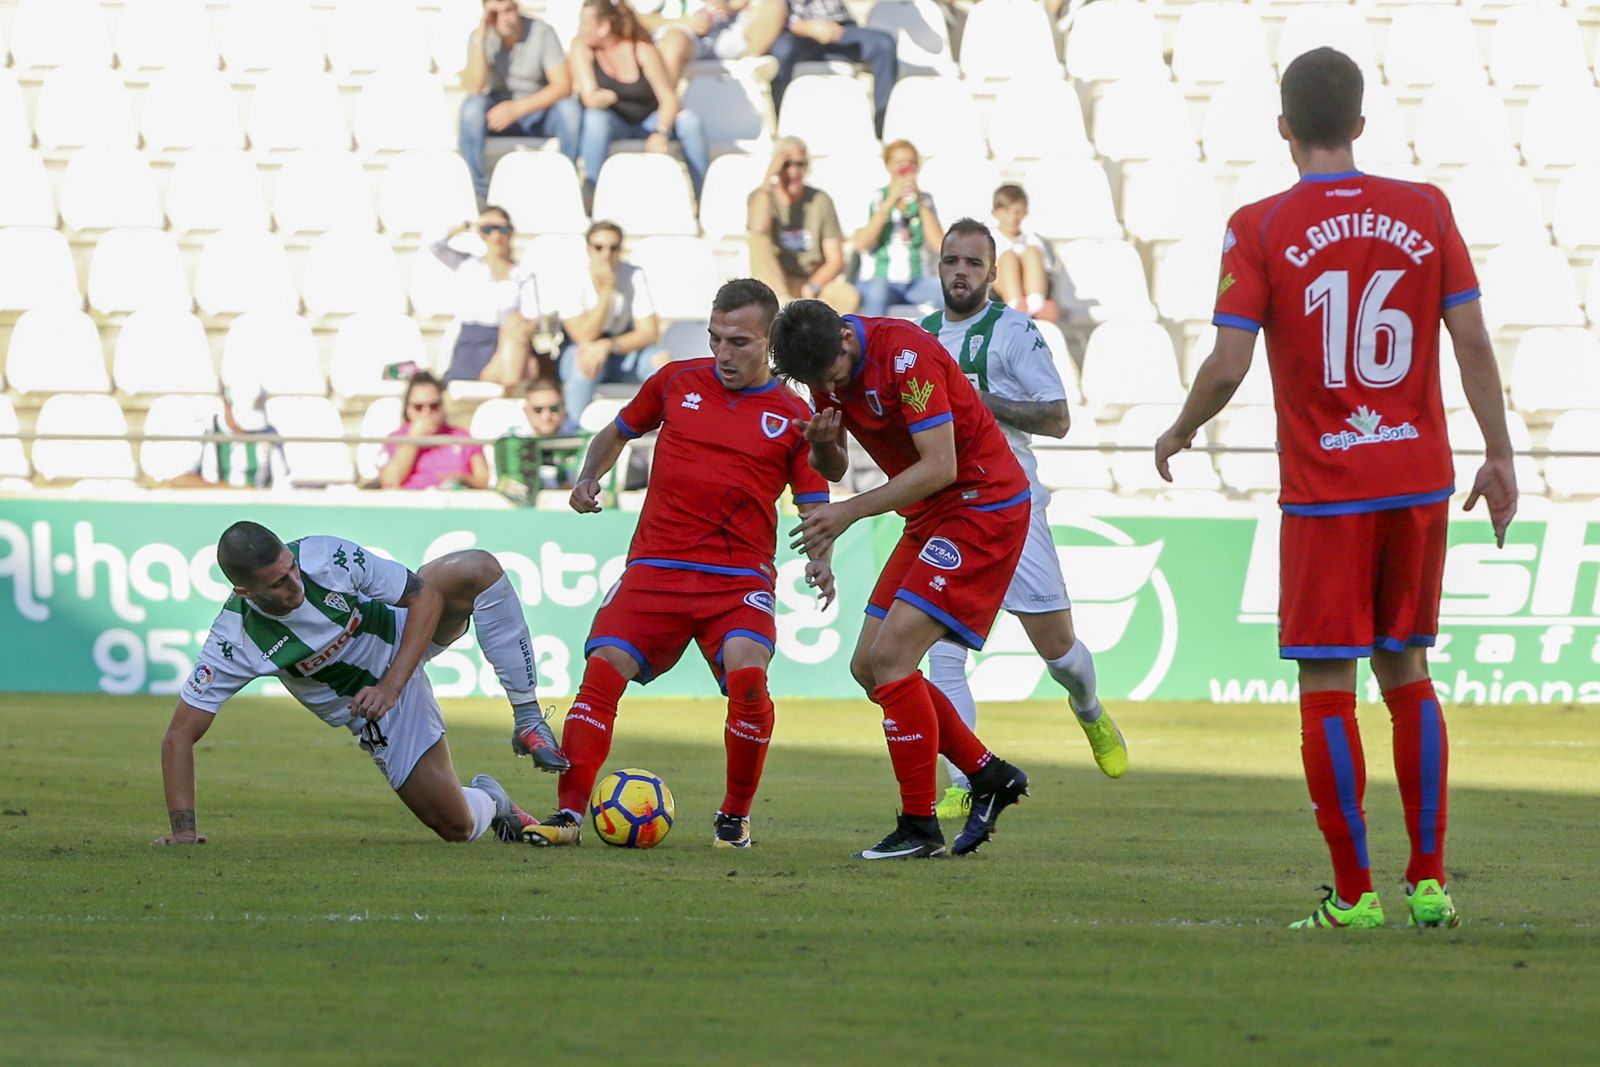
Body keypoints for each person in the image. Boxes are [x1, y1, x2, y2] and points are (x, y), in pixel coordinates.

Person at [1154, 47, 1518, 930]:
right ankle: (1429, 882)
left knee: (1328, 685)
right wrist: (1499, 455)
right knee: (1408, 672)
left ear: (1283, 129)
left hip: (1327, 492)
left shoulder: (1259, 224)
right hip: (1418, 480)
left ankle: (1353, 896)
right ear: (1361, 123)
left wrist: (1183, 426)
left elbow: (1230, 363)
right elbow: (1470, 342)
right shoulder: (1427, 208)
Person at [525, 279, 835, 850]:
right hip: (656, 568)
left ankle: (734, 818)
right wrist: (589, 475)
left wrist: (822, 559)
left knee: (747, 674)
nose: (723, 353)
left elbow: (815, 502)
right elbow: (616, 431)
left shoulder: (793, 416)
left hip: (738, 577)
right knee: (602, 671)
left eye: (739, 342)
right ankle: (567, 817)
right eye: (716, 338)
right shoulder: (675, 381)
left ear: (768, 343)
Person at [770, 300, 1033, 861]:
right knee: (868, 666)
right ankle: (990, 777)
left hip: (981, 505)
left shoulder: (904, 355)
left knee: (892, 661)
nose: (828, 386)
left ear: (846, 335)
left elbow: (942, 465)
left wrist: (849, 513)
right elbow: (834, 466)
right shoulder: (825, 366)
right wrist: (821, 440)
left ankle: (920, 827)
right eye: (816, 382)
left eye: (832, 375)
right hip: (932, 513)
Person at [154, 521, 570, 846]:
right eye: (278, 583)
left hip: (407, 635)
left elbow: (424, 596)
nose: (295, 584)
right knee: (456, 827)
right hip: (375, 712)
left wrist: (390, 684)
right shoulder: (234, 640)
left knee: (477, 568)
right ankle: (493, 802)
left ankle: (529, 719)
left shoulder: (326, 555)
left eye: (291, 569)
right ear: (244, 591)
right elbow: (178, 736)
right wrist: (184, 831)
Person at [919, 219, 1128, 820]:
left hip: (1012, 508)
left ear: (990, 273)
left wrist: (977, 401)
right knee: (945, 654)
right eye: (951, 260)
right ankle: (965, 777)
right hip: (947, 509)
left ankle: (1089, 710)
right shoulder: (920, 337)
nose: (961, 272)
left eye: (973, 264)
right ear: (940, 266)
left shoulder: (1012, 332)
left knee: (1058, 650)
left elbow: (1058, 417)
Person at [567, 0, 711, 199]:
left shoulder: (642, 49)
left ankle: (703, 195)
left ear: (604, 27)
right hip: (614, 122)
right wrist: (604, 98)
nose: (579, 29)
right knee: (595, 119)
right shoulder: (581, 47)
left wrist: (661, 131)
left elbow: (669, 99)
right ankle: (592, 191)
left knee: (691, 122)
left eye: (584, 23)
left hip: (649, 120)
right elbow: (590, 98)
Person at [459, 0, 581, 203]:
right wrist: (482, 35)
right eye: (496, 13)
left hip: (538, 112)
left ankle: (568, 182)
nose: (504, 18)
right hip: (497, 114)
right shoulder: (480, 37)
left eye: (509, 10)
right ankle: (477, 194)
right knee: (471, 109)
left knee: (570, 110)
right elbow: (473, 88)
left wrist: (517, 109)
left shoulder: (542, 32)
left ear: (517, 7)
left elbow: (562, 86)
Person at [554, 221, 668, 432]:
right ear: (588, 249)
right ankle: (577, 433)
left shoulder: (633, 274)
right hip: (580, 351)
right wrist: (607, 290)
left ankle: (664, 431)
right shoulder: (571, 277)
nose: (606, 254)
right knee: (586, 360)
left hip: (618, 350)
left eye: (613, 248)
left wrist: (608, 345)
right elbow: (584, 336)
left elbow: (650, 332)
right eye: (599, 247)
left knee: (660, 360)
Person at [430, 206, 542, 387]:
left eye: (502, 229)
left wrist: (521, 330)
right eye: (488, 229)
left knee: (514, 327)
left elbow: (532, 319)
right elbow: (435, 243)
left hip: (505, 341)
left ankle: (508, 383)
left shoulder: (522, 275)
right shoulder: (468, 265)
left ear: (511, 232)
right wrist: (468, 225)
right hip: (472, 342)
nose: (496, 236)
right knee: (523, 360)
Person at [747, 137, 859, 313]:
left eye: (800, 164)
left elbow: (835, 258)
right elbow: (757, 229)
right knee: (757, 240)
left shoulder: (820, 200)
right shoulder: (762, 197)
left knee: (848, 295)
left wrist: (812, 286)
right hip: (777, 280)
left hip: (811, 281)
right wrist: (769, 177)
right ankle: (783, 307)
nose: (794, 171)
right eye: (786, 165)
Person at [769, 0, 897, 138]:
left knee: (884, 45)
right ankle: (778, 123)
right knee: (781, 52)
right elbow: (767, 14)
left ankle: (882, 126)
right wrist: (804, 27)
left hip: (839, 30)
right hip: (793, 33)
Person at [852, 140, 944, 317]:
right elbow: (861, 243)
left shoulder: (925, 200)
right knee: (877, 294)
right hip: (880, 280)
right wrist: (889, 203)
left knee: (952, 291)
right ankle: (871, 344)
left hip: (917, 281)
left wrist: (921, 204)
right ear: (888, 165)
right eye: (899, 163)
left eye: (911, 163)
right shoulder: (876, 198)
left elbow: (939, 244)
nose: (906, 168)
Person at [162, 382, 289, 490]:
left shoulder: (269, 433)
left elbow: (283, 483)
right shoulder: (205, 429)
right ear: (226, 405)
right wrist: (230, 492)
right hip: (212, 508)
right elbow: (178, 480)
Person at [379, 372, 491, 491]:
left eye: (434, 406)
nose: (426, 412)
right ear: (407, 409)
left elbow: (483, 481)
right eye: (418, 407)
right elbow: (390, 481)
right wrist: (414, 438)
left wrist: (462, 479)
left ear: (442, 406)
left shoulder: (462, 437)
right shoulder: (396, 438)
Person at [637, 0, 789, 83]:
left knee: (774, 4)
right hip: (680, 34)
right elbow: (637, 19)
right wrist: (685, 22)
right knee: (675, 40)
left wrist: (728, 6)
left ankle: (746, 77)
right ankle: (661, 111)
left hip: (725, 32)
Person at [988, 184, 1058, 322]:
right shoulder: (987, 239)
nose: (1013, 217)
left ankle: (1035, 306)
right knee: (1008, 258)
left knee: (1031, 252)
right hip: (997, 296)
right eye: (1007, 211)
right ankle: (1016, 307)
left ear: (1025, 212)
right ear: (995, 212)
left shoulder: (1035, 241)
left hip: (1032, 294)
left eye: (1018, 211)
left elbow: (1047, 272)